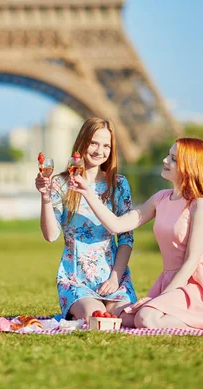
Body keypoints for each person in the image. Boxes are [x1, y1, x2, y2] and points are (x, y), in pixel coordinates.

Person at [70, 137, 203, 330]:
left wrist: (161, 299)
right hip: (169, 279)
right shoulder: (160, 199)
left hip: (193, 282)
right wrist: (87, 193)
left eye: (173, 158)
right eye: (168, 155)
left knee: (146, 319)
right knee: (127, 319)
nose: (165, 160)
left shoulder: (199, 204)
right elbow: (117, 225)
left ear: (190, 166)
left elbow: (191, 262)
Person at [35, 117, 137, 321]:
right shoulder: (61, 183)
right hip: (76, 278)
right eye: (94, 143)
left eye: (106, 145)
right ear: (82, 143)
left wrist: (115, 279)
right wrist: (45, 197)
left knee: (128, 319)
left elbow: (126, 239)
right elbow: (51, 235)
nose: (100, 151)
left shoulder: (119, 184)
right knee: (96, 316)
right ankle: (78, 308)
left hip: (112, 275)